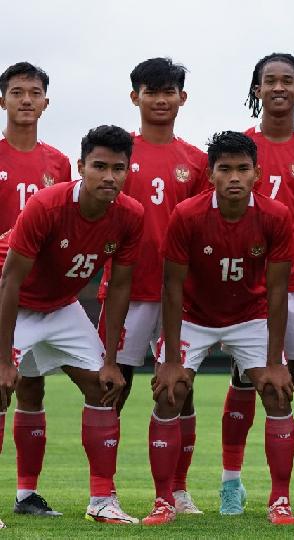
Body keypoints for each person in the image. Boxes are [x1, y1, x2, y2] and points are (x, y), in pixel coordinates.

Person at [142, 131, 294, 525]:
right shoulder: (188, 215)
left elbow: (278, 292)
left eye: (242, 169)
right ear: (210, 174)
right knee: (170, 391)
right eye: (224, 169)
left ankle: (279, 501)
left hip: (250, 315)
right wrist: (172, 359)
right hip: (195, 315)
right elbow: (172, 288)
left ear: (256, 174)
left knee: (279, 394)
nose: (234, 177)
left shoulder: (276, 216)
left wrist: (276, 361)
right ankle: (164, 500)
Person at [219, 52, 294, 515]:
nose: (277, 88)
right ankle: (231, 483)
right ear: (256, 90)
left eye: (287, 81)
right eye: (268, 80)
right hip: (248, 288)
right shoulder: (237, 150)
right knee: (244, 383)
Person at [0, 125, 143, 525]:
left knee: (104, 386)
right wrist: (1, 358)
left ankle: (101, 501)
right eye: (99, 166)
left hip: (61, 305)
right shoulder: (46, 205)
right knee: (2, 387)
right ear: (80, 167)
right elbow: (9, 281)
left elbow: (118, 286)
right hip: (11, 300)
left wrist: (112, 359)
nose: (109, 176)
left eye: (118, 168)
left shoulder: (131, 215)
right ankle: (23, 491)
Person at [96, 57, 209, 514]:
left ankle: (177, 491)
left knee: (181, 387)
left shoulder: (197, 162)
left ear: (182, 97)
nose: (160, 100)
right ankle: (104, 490)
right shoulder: (118, 157)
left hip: (180, 295)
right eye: (151, 91)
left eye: (169, 91)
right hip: (127, 290)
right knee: (110, 387)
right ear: (134, 97)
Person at [0, 61, 71, 518]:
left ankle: (27, 495)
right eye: (18, 92)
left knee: (32, 388)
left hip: (39, 292)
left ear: (47, 101)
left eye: (35, 92)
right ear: (3, 100)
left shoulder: (59, 162)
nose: (27, 99)